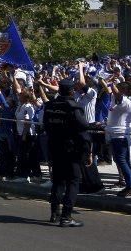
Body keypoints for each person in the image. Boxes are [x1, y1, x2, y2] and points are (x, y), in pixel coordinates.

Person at [43, 79, 92, 227]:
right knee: (73, 181)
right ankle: (66, 216)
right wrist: (88, 150)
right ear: (71, 91)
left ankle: (54, 213)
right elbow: (83, 129)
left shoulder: (50, 106)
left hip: (54, 147)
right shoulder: (73, 107)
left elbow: (46, 125)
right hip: (71, 150)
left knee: (58, 181)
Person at [107, 81, 131, 198]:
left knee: (122, 161)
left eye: (119, 88)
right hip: (116, 134)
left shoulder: (126, 100)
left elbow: (117, 94)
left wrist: (111, 83)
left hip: (121, 136)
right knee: (123, 161)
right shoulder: (122, 100)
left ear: (123, 91)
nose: (116, 90)